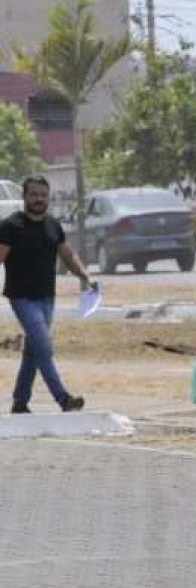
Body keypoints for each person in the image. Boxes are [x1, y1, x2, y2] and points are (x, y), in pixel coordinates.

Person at [1, 174, 91, 414]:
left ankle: (20, 402)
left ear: (48, 197)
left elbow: (68, 256)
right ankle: (63, 399)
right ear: (24, 197)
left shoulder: (53, 225)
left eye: (43, 195)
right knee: (43, 345)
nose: (39, 199)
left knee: (33, 350)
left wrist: (85, 276)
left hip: (47, 297)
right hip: (21, 297)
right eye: (34, 194)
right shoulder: (11, 226)